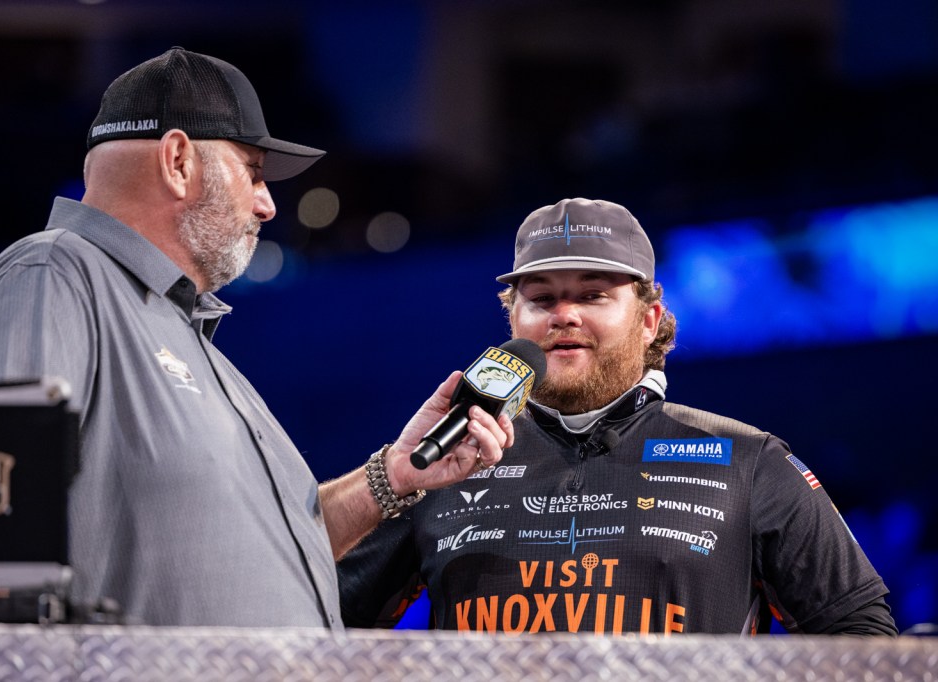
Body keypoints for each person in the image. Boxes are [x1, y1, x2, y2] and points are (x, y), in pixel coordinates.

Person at [0, 47, 512, 628]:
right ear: (178, 161)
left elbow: (282, 553)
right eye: (254, 172)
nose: (268, 205)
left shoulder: (186, 334)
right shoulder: (53, 274)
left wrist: (392, 476)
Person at [337, 197, 897, 636]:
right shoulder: (443, 461)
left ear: (649, 321)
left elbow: (861, 637)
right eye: (541, 299)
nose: (564, 315)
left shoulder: (749, 461)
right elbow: (310, 609)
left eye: (593, 295)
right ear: (513, 320)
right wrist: (394, 475)